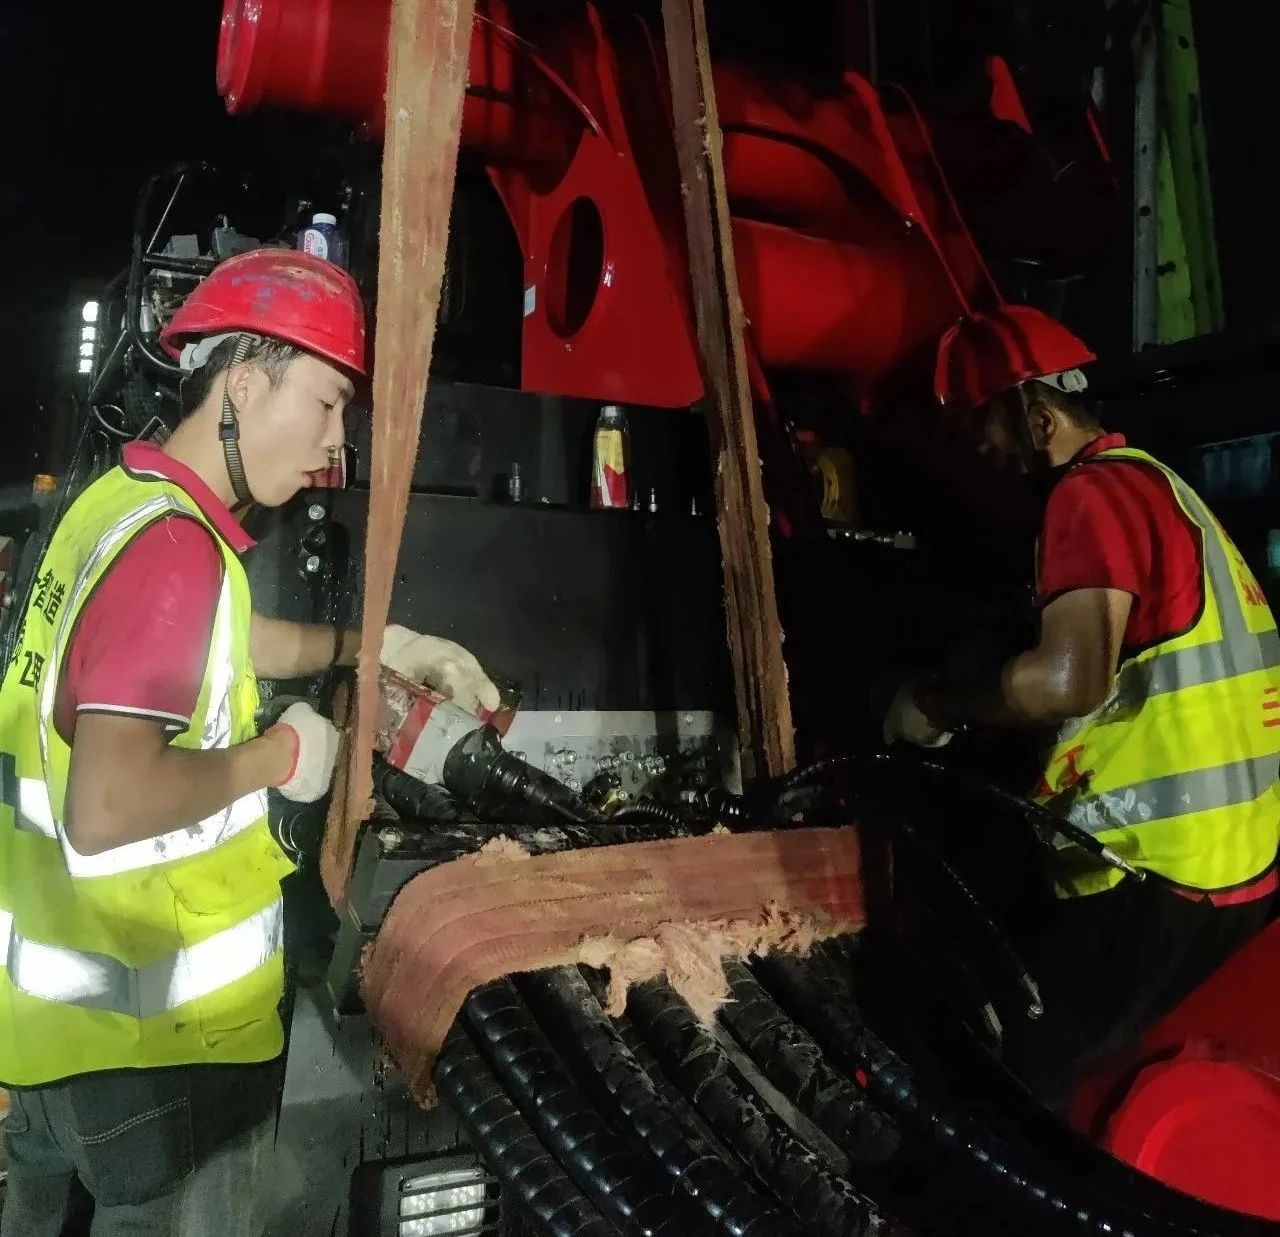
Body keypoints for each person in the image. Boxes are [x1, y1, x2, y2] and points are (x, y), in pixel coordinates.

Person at [0, 249, 499, 1234]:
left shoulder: (120, 507)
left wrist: (373, 646)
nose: (336, 439)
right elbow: (105, 805)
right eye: (324, 401)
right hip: (163, 1061)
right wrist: (282, 759)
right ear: (240, 386)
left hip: (53, 1042)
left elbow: (220, 640)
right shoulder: (176, 549)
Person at [885, 307, 1280, 1106]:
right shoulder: (1166, 490)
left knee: (1010, 1094)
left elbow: (1067, 680)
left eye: (984, 437)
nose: (985, 460)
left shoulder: (1090, 495)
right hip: (1240, 869)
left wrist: (936, 706)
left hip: (1150, 873)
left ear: (1038, 419)